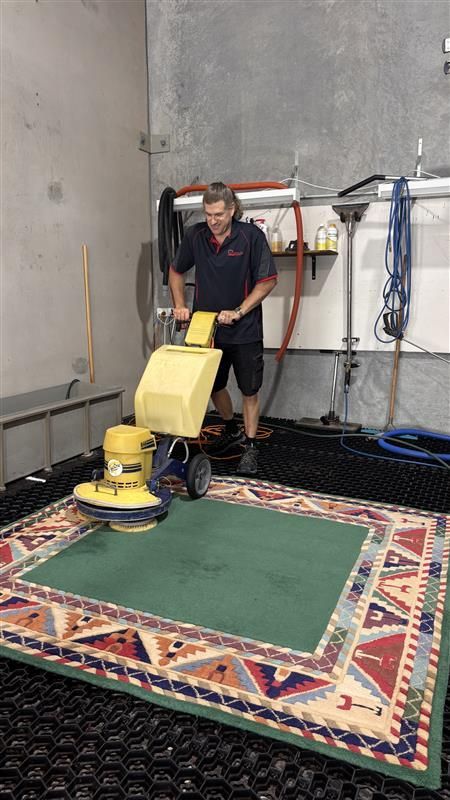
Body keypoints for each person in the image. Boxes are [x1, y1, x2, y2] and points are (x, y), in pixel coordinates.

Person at [169, 181, 277, 476]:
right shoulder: (196, 236)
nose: (213, 221)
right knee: (213, 385)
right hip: (207, 329)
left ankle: (251, 447)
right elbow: (176, 270)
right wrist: (180, 303)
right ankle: (231, 429)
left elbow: (267, 281)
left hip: (244, 330)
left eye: (218, 214)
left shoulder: (251, 237)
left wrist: (239, 311)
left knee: (249, 390)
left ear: (232, 210)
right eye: (208, 214)